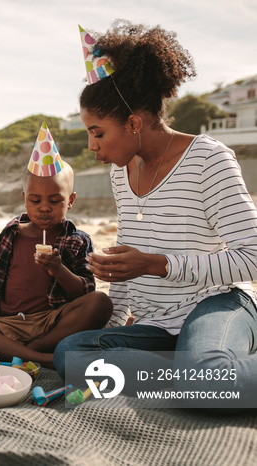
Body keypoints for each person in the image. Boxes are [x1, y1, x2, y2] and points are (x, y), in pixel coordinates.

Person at [54, 21, 257, 406]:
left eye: (97, 133)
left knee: (207, 382)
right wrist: (114, 328)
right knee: (71, 355)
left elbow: (253, 256)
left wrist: (160, 264)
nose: (92, 147)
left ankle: (206, 374)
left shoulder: (207, 160)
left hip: (215, 304)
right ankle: (200, 374)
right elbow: (126, 264)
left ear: (133, 123)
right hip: (158, 324)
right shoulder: (121, 171)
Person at [0, 123, 113, 368]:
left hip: (53, 321)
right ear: (24, 199)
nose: (44, 207)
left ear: (70, 200)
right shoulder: (10, 235)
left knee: (101, 303)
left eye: (55, 200)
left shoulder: (77, 240)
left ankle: (34, 348)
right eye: (35, 200)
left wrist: (59, 269)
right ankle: (41, 357)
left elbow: (85, 291)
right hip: (10, 322)